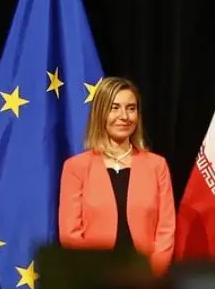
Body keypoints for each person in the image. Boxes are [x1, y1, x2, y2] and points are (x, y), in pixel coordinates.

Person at [57, 77, 175, 274]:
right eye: (114, 108)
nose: (124, 116)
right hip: (94, 279)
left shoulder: (157, 165)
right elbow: (70, 235)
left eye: (131, 108)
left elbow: (166, 230)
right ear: (100, 113)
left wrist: (151, 273)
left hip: (145, 279)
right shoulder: (76, 167)